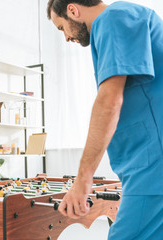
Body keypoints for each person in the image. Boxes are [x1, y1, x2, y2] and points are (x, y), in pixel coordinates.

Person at [47, 1, 163, 239]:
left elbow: (109, 101)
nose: (66, 37)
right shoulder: (122, 19)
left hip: (153, 167)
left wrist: (82, 180)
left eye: (61, 28)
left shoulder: (113, 18)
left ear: (72, 10)